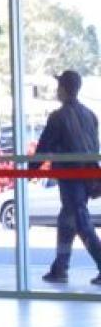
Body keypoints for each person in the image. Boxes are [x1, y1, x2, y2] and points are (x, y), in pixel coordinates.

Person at [33, 70, 101, 284]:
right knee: (66, 221)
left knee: (80, 222)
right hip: (89, 178)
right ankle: (60, 267)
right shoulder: (90, 114)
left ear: (63, 89)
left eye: (58, 87)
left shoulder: (58, 117)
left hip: (71, 177)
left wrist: (31, 169)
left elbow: (44, 146)